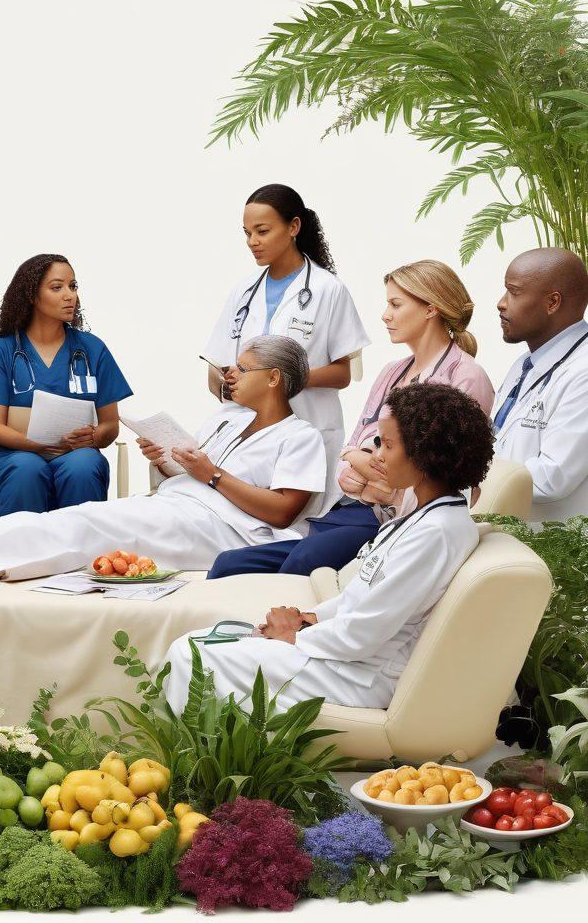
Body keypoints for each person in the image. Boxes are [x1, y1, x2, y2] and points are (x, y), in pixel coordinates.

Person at [0, 336, 327, 582]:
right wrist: (168, 461)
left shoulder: (300, 437)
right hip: (178, 505)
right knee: (79, 520)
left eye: (242, 368)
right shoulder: (227, 419)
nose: (230, 374)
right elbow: (197, 476)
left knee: (86, 527)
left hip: (224, 530)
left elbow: (284, 511)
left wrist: (213, 475)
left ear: (273, 379)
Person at [163, 383, 495, 715]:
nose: (377, 456)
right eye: (378, 443)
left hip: (357, 675)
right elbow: (363, 596)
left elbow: (363, 633)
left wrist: (294, 635)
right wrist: (311, 616)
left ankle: (201, 746)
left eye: (388, 445)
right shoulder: (424, 516)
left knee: (190, 655)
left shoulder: (436, 532)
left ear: (426, 453)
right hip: (344, 656)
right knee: (200, 642)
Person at [209, 259, 494, 578]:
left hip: (398, 520)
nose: (385, 315)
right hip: (353, 507)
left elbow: (447, 475)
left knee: (303, 560)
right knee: (229, 563)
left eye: (395, 304)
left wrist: (373, 474)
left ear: (431, 309)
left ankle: (284, 612)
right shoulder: (392, 372)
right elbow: (350, 451)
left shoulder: (466, 377)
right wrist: (358, 467)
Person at [203, 184, 369, 514]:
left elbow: (342, 374)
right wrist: (228, 385)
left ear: (293, 227)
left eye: (262, 231)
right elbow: (216, 366)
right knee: (236, 518)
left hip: (307, 430)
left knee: (293, 523)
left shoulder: (327, 290)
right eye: (247, 233)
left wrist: (280, 381)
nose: (253, 241)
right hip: (246, 437)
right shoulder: (244, 292)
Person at [0, 254, 132, 514]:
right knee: (27, 469)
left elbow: (110, 426)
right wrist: (38, 446)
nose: (69, 295)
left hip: (74, 454)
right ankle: (21, 542)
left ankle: (80, 542)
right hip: (11, 455)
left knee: (84, 467)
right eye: (57, 287)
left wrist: (94, 436)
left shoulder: (93, 349)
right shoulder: (0, 351)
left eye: (73, 286)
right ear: (32, 295)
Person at [492, 248, 588, 521]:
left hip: (550, 539)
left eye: (514, 292)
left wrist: (465, 474)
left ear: (552, 302)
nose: (501, 303)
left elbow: (552, 476)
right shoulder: (524, 365)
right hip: (505, 527)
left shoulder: (583, 371)